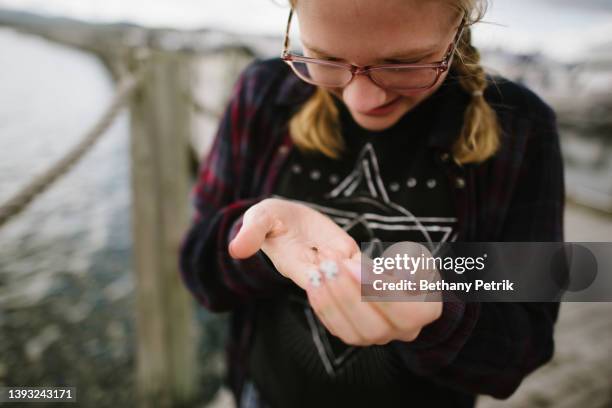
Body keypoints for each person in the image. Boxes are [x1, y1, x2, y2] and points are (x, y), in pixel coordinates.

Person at [179, 0, 565, 407]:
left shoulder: (521, 125)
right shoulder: (263, 90)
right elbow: (198, 269)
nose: (361, 99)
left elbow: (524, 343)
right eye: (326, 59)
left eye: (404, 63)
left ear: (458, 26)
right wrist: (260, 239)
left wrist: (440, 310)